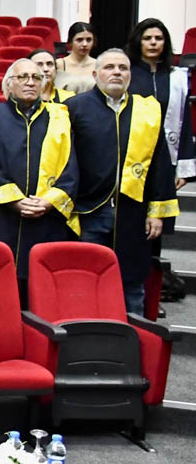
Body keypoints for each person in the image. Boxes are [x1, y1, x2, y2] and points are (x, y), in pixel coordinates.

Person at [69, 49, 178, 313]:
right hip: (89, 210)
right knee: (87, 279)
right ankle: (89, 334)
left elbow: (160, 163)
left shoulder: (147, 110)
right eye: (109, 67)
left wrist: (157, 212)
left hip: (133, 211)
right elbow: (65, 161)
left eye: (123, 68)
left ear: (130, 75)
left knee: (131, 283)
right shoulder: (75, 108)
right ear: (95, 73)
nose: (116, 72)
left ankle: (133, 334)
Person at [0, 59, 79, 300]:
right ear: (9, 84)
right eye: (23, 77)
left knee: (42, 288)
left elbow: (70, 166)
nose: (30, 82)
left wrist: (49, 202)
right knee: (3, 287)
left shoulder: (59, 117)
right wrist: (15, 201)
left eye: (36, 78)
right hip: (6, 215)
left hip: (47, 217)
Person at [127, 18, 194, 186]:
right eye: (147, 38)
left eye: (158, 38)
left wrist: (184, 170)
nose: (153, 43)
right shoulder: (126, 74)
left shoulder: (176, 77)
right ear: (138, 42)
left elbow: (185, 124)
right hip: (131, 156)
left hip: (166, 154)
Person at [54, 22, 97, 93]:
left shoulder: (99, 65)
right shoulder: (59, 64)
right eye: (79, 40)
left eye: (89, 40)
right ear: (71, 41)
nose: (84, 44)